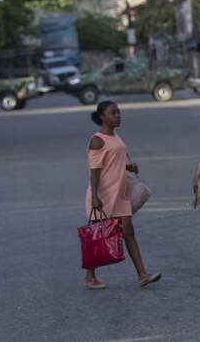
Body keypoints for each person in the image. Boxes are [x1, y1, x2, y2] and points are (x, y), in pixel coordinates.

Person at [84, 101, 161, 290]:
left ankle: (143, 275)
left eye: (118, 112)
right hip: (103, 195)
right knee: (97, 237)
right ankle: (90, 276)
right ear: (102, 117)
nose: (118, 116)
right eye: (113, 113)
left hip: (120, 193)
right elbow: (94, 171)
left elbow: (113, 161)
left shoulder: (116, 136)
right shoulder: (97, 139)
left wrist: (129, 167)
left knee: (128, 231)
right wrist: (95, 197)